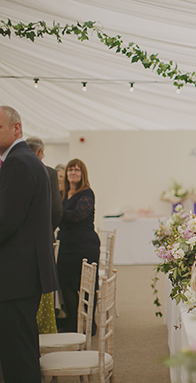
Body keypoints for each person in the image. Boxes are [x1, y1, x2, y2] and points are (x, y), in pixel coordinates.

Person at [0, 105, 58, 383]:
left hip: (15, 276)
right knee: (21, 350)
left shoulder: (18, 161)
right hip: (23, 273)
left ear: (16, 128)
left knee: (18, 359)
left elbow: (5, 220)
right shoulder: (26, 159)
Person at [57, 159, 101, 333]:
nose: (73, 173)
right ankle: (73, 322)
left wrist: (57, 212)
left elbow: (77, 215)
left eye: (77, 170)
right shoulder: (63, 193)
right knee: (66, 283)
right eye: (70, 170)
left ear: (83, 174)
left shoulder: (87, 193)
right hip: (67, 245)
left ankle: (90, 323)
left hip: (85, 245)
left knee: (86, 285)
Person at [25, 137, 62, 334]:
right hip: (44, 239)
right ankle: (46, 327)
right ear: (40, 153)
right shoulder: (48, 172)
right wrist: (49, 229)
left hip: (19, 244)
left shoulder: (12, 168)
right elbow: (56, 209)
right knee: (43, 287)